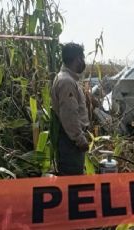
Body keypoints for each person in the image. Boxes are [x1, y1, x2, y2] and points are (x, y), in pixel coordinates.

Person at [51, 42, 89, 175]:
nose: (83, 62)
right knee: (72, 180)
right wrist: (79, 138)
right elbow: (69, 115)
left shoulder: (67, 79)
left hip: (70, 138)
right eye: (82, 58)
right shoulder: (67, 82)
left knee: (72, 178)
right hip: (70, 141)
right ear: (78, 59)